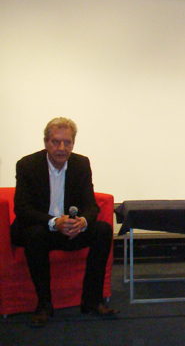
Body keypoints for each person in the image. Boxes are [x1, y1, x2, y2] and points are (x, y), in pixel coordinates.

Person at [11, 117, 118, 328]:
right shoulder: (27, 165)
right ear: (45, 142)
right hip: (42, 228)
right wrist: (54, 222)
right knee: (34, 235)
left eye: (67, 142)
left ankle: (92, 301)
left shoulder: (81, 164)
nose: (61, 148)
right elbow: (22, 209)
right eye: (55, 142)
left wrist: (83, 222)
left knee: (103, 230)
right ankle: (44, 304)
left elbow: (91, 205)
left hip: (70, 229)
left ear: (73, 143)